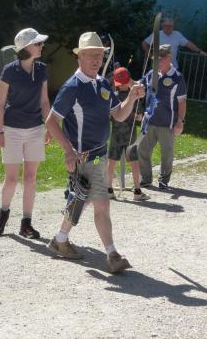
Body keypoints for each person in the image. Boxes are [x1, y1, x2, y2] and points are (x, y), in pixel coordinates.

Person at [45, 32, 145, 273]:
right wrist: (68, 152)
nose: (96, 60)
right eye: (91, 55)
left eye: (100, 56)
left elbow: (119, 114)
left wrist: (131, 97)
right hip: (83, 157)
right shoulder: (72, 87)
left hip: (100, 153)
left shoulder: (102, 84)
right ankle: (112, 255)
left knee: (83, 200)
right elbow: (51, 122)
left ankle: (60, 240)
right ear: (80, 57)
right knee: (99, 203)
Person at [0, 28, 51, 239]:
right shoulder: (9, 70)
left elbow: (44, 102)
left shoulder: (42, 69)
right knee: (11, 179)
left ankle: (26, 223)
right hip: (12, 129)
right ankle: (3, 214)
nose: (41, 46)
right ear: (26, 48)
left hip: (35, 128)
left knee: (31, 178)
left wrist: (49, 127)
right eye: (38, 44)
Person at [138, 44, 187, 189]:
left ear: (169, 58)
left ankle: (164, 180)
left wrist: (180, 121)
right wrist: (125, 80)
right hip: (149, 120)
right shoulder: (150, 74)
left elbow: (182, 101)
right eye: (155, 60)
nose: (157, 63)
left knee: (167, 153)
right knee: (143, 150)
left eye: (160, 60)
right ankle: (146, 179)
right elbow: (138, 87)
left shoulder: (177, 77)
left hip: (167, 122)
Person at [107, 67, 150, 201]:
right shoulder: (134, 97)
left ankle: (108, 190)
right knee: (134, 162)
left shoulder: (112, 96)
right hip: (129, 134)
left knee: (112, 161)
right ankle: (137, 191)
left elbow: (108, 116)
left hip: (116, 134)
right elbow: (138, 117)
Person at [142, 17, 206, 68]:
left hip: (172, 67)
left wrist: (199, 51)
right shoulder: (157, 34)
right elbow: (144, 43)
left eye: (170, 26)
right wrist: (150, 55)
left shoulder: (177, 34)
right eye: (166, 25)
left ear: (173, 26)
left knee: (172, 84)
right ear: (162, 26)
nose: (168, 27)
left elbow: (188, 44)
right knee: (157, 84)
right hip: (158, 67)